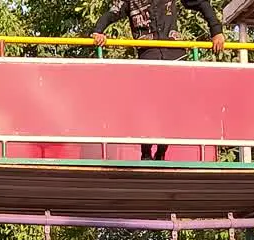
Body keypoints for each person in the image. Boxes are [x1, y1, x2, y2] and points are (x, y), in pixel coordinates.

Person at [91, 0, 226, 161]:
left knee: (172, 108)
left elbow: (201, 4)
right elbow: (112, 13)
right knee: (147, 106)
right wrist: (98, 31)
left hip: (174, 56)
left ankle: (162, 150)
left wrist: (216, 31)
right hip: (149, 57)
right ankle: (146, 152)